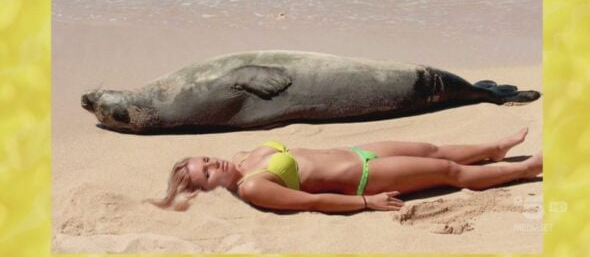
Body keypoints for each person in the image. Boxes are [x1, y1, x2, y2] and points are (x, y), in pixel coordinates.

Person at [147, 128, 542, 213]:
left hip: (358, 151)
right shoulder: (253, 188)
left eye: (207, 160)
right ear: (210, 188)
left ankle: (494, 148)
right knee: (447, 171)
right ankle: (525, 170)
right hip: (366, 178)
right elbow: (313, 201)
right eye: (208, 174)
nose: (214, 165)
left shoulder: (245, 157)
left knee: (431, 147)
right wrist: (367, 203)